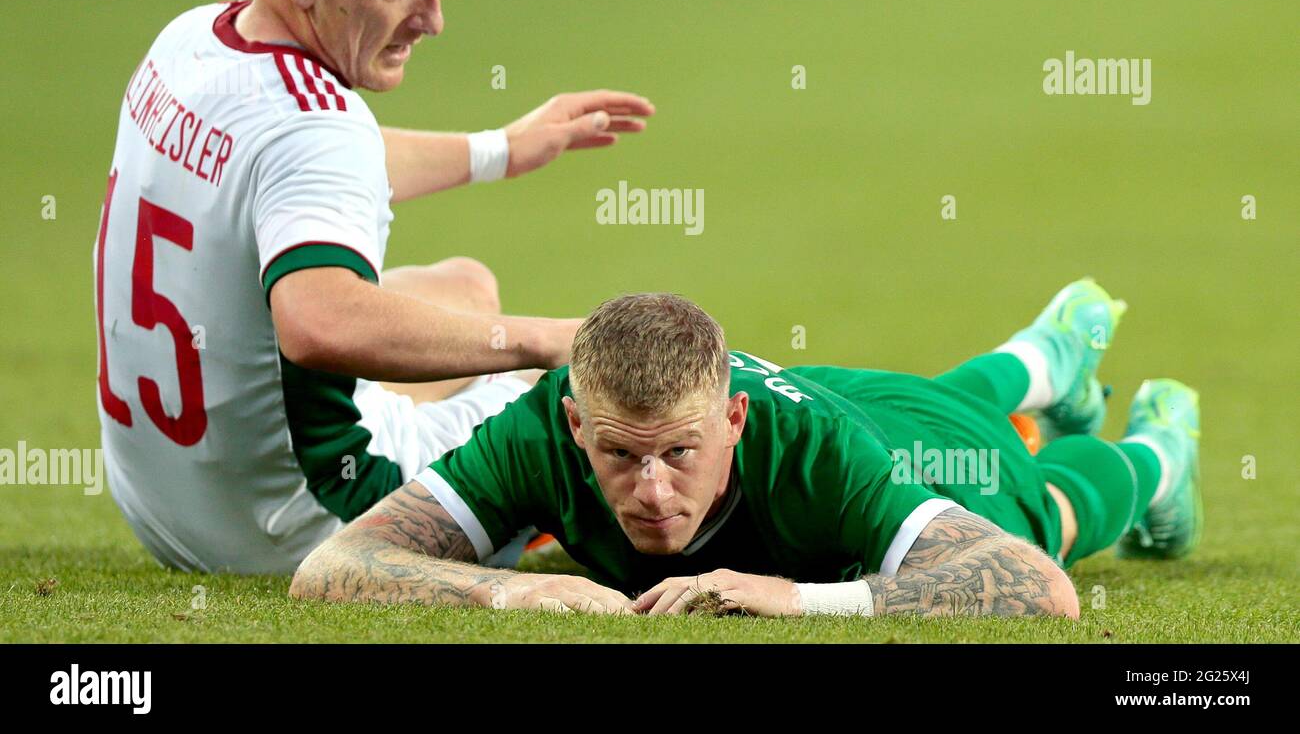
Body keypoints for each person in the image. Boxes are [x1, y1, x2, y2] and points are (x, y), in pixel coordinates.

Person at [93, 0, 653, 574]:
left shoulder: (193, 41)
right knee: (571, 400)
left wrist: (500, 149)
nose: (433, 17)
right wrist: (549, 340)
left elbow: (299, 176)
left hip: (161, 496)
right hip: (300, 523)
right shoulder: (318, 128)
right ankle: (539, 520)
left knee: (464, 282)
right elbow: (318, 320)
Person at [290, 281, 1203, 617]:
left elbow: (1039, 591)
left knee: (1043, 503)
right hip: (864, 391)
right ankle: (1045, 357)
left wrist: (795, 598)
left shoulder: (815, 455)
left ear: (733, 423)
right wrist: (518, 586)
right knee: (945, 395)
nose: (649, 489)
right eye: (619, 454)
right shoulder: (542, 426)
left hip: (898, 448)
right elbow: (335, 566)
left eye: (677, 454)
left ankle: (1161, 451)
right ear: (577, 425)